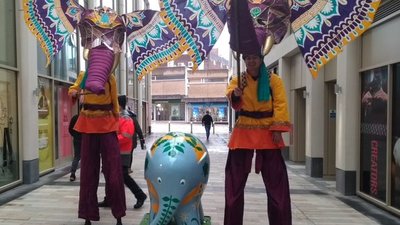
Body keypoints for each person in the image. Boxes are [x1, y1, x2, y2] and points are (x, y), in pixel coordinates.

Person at [224, 54, 292, 225]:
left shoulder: (273, 79)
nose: (251, 61)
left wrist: (277, 128)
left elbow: (280, 104)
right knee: (234, 185)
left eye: (254, 57)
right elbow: (232, 98)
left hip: (268, 131)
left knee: (277, 186)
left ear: (261, 59)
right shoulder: (238, 79)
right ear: (244, 60)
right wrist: (236, 94)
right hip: (244, 130)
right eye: (248, 58)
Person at [69, 72, 126, 225]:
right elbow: (74, 88)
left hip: (107, 126)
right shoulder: (85, 74)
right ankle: (88, 215)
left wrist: (116, 122)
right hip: (88, 125)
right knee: (88, 172)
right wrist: (74, 92)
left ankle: (118, 214)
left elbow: (114, 102)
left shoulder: (110, 77)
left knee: (114, 172)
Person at [98, 95, 147, 209]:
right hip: (114, 152)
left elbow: (126, 136)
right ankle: (109, 199)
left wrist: (111, 140)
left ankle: (140, 195)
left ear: (118, 105)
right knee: (110, 175)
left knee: (123, 176)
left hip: (122, 153)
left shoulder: (126, 118)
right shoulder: (118, 117)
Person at [126, 107, 145, 173]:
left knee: (125, 154)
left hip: (127, 140)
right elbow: (138, 130)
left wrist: (142, 140)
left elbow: (138, 129)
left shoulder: (123, 117)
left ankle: (126, 168)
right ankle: (128, 168)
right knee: (129, 154)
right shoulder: (132, 117)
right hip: (131, 140)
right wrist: (142, 139)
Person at [68, 113, 81, 182]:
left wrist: (75, 135)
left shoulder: (74, 117)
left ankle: (72, 174)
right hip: (86, 141)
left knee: (76, 157)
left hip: (76, 140)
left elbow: (70, 129)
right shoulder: (87, 118)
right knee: (86, 158)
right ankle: (86, 175)